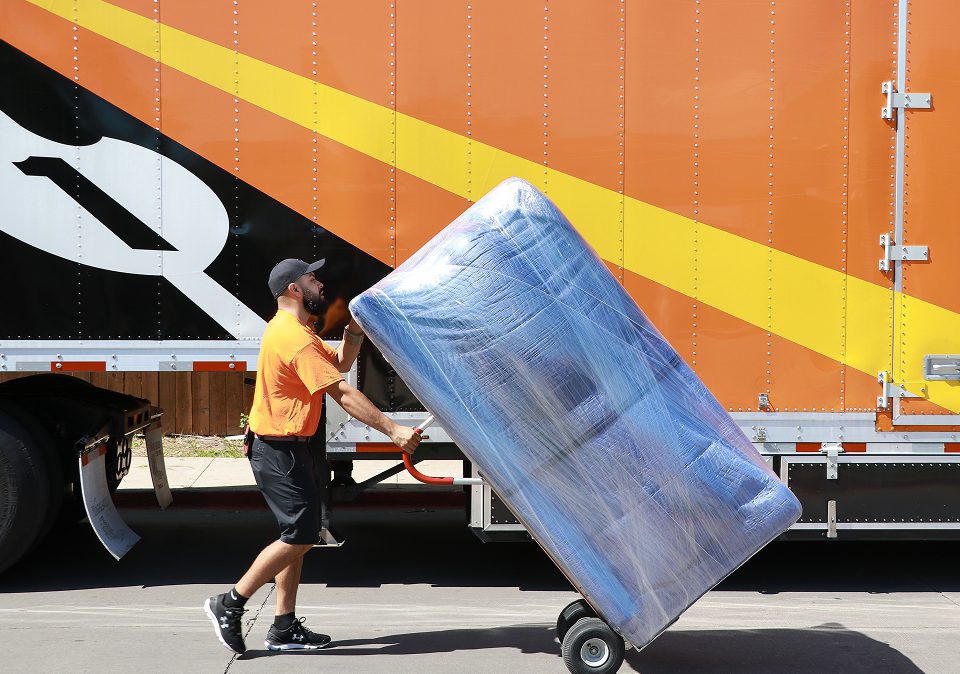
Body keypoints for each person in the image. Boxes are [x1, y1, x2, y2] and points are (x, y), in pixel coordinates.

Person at [204, 258, 421, 654]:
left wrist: (355, 329)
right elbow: (342, 392)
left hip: (288, 448)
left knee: (297, 536)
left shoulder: (297, 331)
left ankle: (283, 628)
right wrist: (393, 430)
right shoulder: (295, 337)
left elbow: (338, 364)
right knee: (301, 535)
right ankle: (230, 604)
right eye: (312, 278)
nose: (320, 283)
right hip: (277, 450)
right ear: (293, 289)